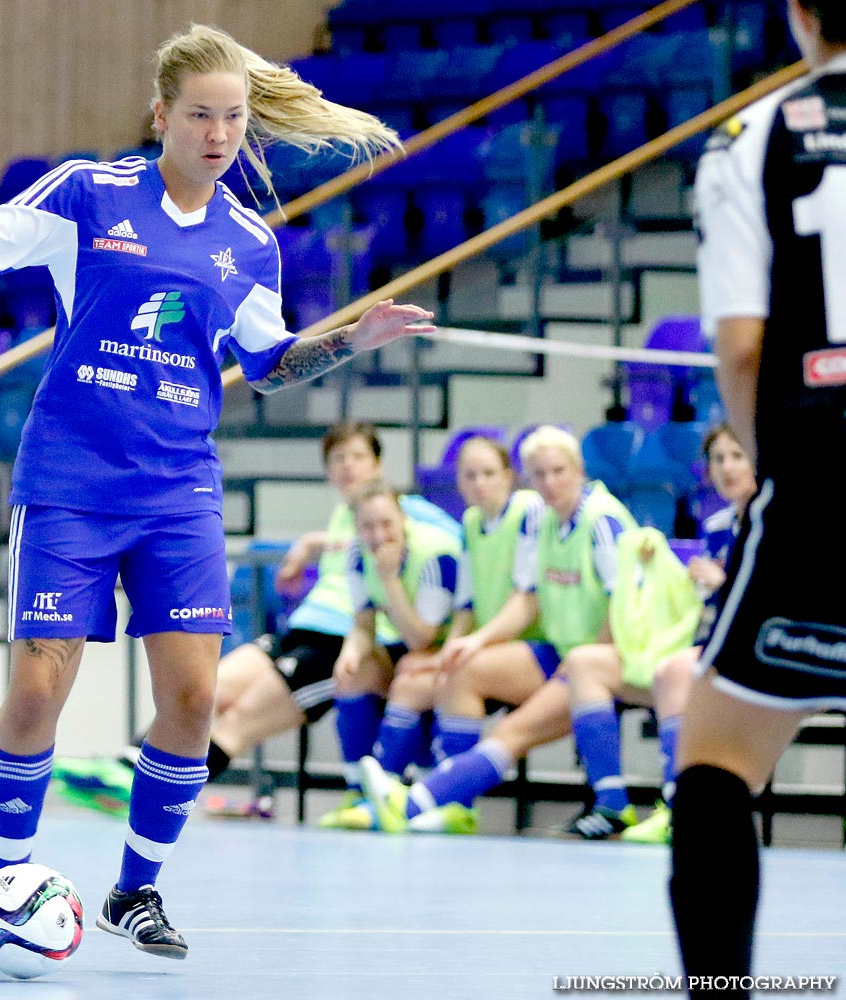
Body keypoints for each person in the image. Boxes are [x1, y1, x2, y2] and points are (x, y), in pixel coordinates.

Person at [0, 23, 433, 968]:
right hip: (69, 479)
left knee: (191, 699)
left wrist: (353, 335)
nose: (219, 134)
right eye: (200, 116)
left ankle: (134, 890)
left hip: (177, 491)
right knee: (35, 688)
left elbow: (267, 368)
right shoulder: (89, 192)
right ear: (162, 117)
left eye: (233, 119)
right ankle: (9, 882)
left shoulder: (248, 244)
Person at [670, 3, 846, 994]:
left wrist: (771, 454)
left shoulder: (753, 137)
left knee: (716, 764)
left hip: (820, 472)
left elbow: (739, 348)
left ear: (798, 16)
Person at [51, 421, 459, 815]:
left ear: (378, 465)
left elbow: (449, 540)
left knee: (239, 721)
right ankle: (125, 767)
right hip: (300, 630)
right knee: (210, 686)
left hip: (343, 646)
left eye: (358, 456)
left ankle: (154, 795)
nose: (348, 466)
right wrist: (310, 543)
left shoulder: (407, 511)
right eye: (337, 459)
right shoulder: (344, 517)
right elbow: (347, 540)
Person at [360, 425, 637, 835]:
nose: (549, 482)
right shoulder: (544, 521)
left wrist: (582, 665)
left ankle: (413, 802)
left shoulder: (593, 520)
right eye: (540, 474)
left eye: (559, 471)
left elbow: (619, 606)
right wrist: (454, 648)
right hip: (565, 655)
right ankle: (425, 800)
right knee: (454, 671)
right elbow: (489, 602)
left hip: (597, 657)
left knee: (509, 729)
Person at [343, 435, 544, 832]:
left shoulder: (528, 511)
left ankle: (453, 801)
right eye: (469, 475)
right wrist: (450, 650)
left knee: (455, 671)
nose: (479, 483)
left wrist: (461, 650)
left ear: (509, 476)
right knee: (413, 678)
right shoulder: (470, 522)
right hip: (488, 643)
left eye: (488, 473)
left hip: (533, 645)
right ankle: (385, 793)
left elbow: (527, 600)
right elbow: (467, 610)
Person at [616, 422, 757, 845]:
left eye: (737, 455)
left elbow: (786, 598)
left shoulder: (783, 522)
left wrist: (723, 582)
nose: (728, 467)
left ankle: (682, 811)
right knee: (648, 669)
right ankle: (634, 804)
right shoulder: (715, 526)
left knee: (674, 673)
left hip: (769, 649)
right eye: (718, 459)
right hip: (721, 645)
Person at [323, 478, 462, 828]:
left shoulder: (435, 554)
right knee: (353, 674)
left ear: (404, 520)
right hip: (406, 647)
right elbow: (364, 624)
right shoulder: (358, 555)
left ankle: (388, 791)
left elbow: (421, 638)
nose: (378, 534)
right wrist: (349, 654)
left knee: (411, 674)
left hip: (449, 650)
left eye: (386, 523)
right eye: (367, 526)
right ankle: (358, 791)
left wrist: (389, 580)